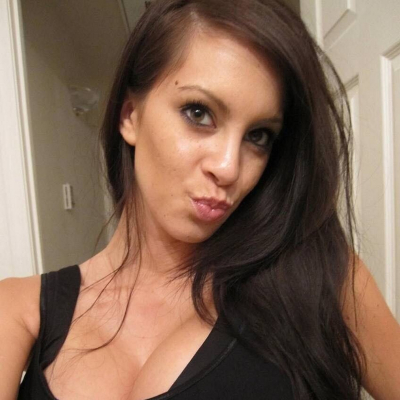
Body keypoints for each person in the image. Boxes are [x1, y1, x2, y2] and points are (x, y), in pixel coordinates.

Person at [1, 0, 399, 398]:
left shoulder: (317, 273)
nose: (228, 168)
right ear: (130, 116)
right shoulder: (19, 308)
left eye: (258, 136)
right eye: (198, 113)